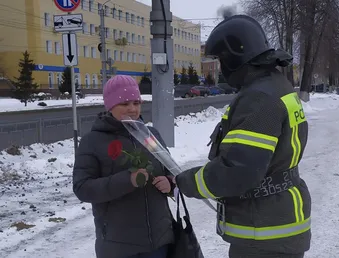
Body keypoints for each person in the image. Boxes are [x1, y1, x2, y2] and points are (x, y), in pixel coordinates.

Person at [172, 15, 311, 258]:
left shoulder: (258, 99)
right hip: (277, 226)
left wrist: (185, 182)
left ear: (234, 58)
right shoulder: (277, 85)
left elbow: (238, 173)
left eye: (221, 61)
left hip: (264, 235)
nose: (222, 70)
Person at [72, 75, 175, 258]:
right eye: (125, 103)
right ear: (110, 106)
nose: (132, 109)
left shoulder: (151, 135)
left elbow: (170, 171)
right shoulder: (92, 141)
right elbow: (83, 188)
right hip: (118, 246)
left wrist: (169, 183)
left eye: (136, 103)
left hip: (159, 242)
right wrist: (128, 180)